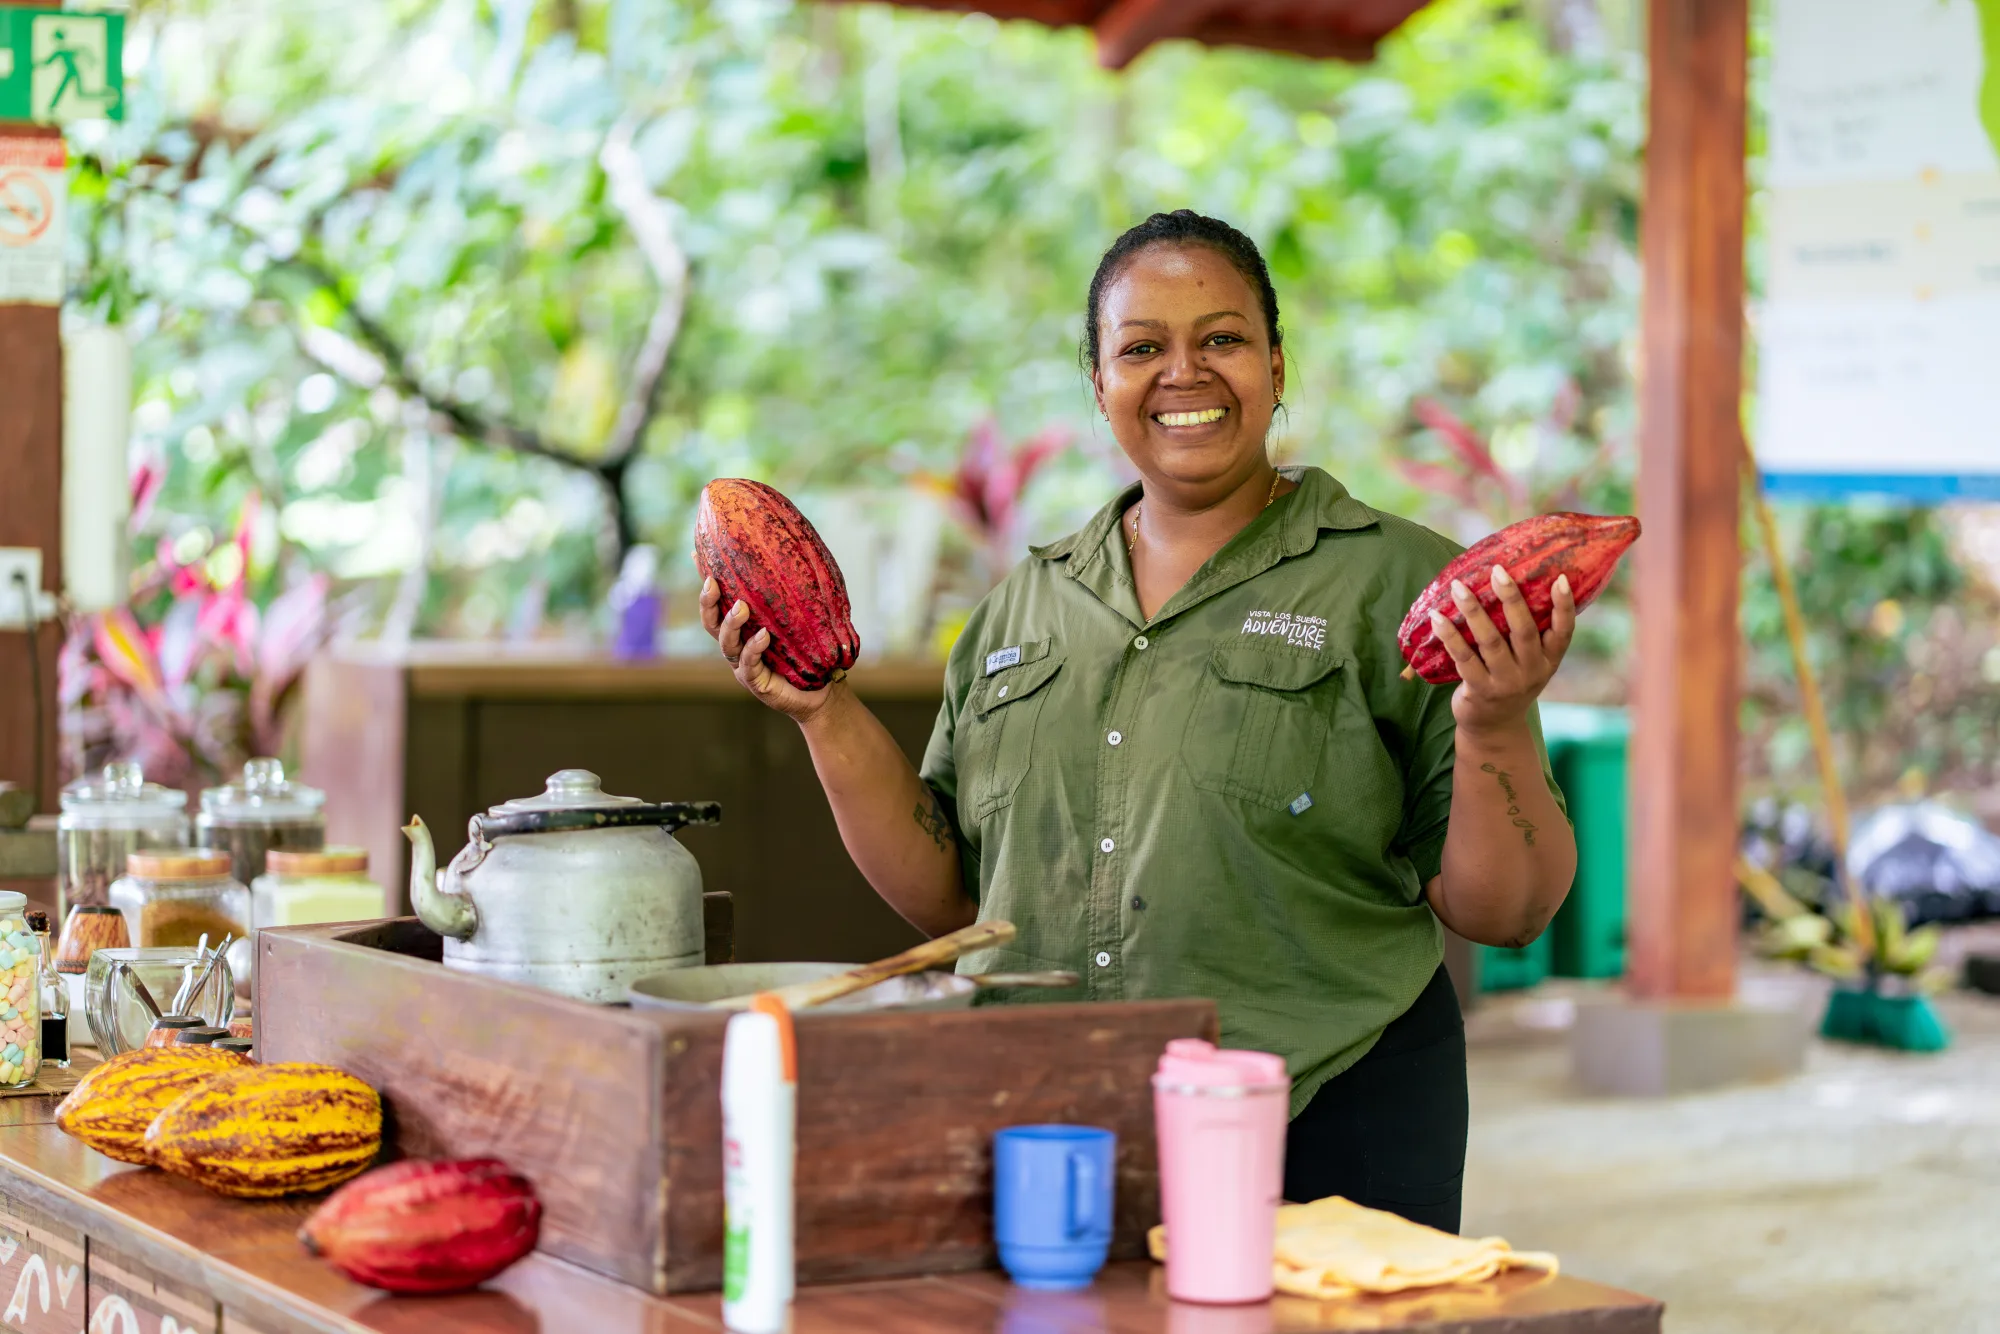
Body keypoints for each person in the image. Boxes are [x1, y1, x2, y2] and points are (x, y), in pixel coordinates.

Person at [701, 210, 1579, 1233]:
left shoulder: (1399, 582)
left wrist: (1496, 719)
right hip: (1043, 1119)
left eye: (1220, 338)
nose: (1183, 372)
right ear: (1097, 380)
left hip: (1328, 1112)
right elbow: (953, 896)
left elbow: (1505, 909)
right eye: (1141, 347)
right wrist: (821, 711)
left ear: (1276, 364)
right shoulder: (1017, 610)